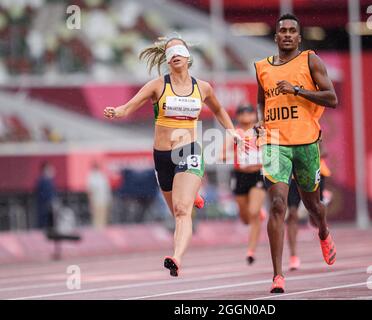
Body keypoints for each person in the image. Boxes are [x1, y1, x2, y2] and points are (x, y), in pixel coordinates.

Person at [104, 37, 240, 277]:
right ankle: (193, 193)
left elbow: (218, 109)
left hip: (188, 150)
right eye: (170, 51)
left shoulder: (203, 87)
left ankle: (176, 257)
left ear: (188, 57)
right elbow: (128, 106)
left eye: (179, 50)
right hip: (162, 156)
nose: (175, 54)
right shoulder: (157, 85)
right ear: (167, 59)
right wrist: (118, 111)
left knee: (181, 210)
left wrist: (232, 131)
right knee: (175, 209)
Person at [254, 13, 338, 293]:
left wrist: (298, 90)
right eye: (283, 31)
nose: (287, 34)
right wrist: (259, 120)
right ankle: (278, 275)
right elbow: (261, 100)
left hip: (306, 143)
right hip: (275, 142)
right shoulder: (262, 68)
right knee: (277, 205)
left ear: (299, 37)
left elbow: (332, 98)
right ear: (276, 37)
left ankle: (323, 231)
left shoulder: (310, 60)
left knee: (313, 207)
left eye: (292, 31)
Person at [223, 104, 266, 265]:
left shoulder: (261, 131)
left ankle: (251, 250)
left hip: (258, 175)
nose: (246, 115)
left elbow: (273, 151)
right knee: (246, 218)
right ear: (238, 116)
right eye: (242, 112)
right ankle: (256, 212)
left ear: (255, 115)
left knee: (254, 212)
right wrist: (239, 152)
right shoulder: (235, 134)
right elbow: (221, 155)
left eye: (249, 112)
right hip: (240, 176)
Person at [87, 162, 112, 229]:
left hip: (103, 199)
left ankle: (103, 229)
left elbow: (107, 188)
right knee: (96, 216)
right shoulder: (91, 176)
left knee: (103, 215)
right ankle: (97, 229)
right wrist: (90, 200)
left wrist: (109, 199)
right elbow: (90, 190)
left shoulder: (102, 176)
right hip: (96, 199)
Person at [34, 161, 56, 231]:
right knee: (44, 222)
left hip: (49, 204)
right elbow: (42, 194)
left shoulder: (50, 180)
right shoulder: (41, 180)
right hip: (44, 205)